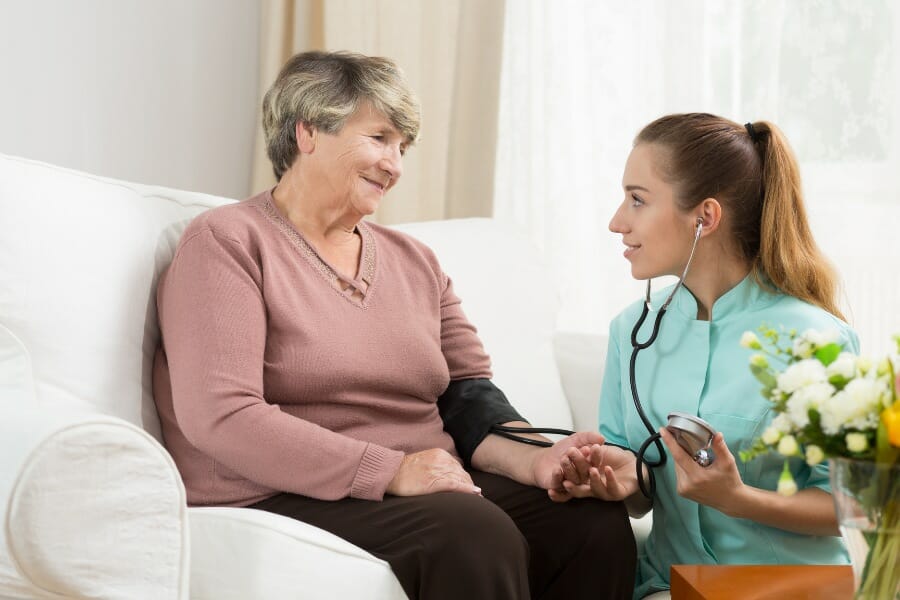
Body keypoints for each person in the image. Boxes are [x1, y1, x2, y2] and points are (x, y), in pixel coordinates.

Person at [152, 50, 635, 600]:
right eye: (379, 138)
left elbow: (467, 395)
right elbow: (221, 415)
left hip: (416, 484)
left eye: (402, 147)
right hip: (280, 490)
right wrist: (389, 470)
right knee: (472, 535)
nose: (395, 164)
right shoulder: (227, 243)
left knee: (589, 525)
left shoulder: (415, 260)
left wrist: (539, 460)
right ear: (307, 132)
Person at [550, 113, 855, 598]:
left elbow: (851, 507)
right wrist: (621, 479)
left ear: (705, 218)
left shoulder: (815, 339)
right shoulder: (630, 331)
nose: (616, 221)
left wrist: (738, 499)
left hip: (788, 587)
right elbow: (639, 487)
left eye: (637, 199)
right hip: (669, 585)